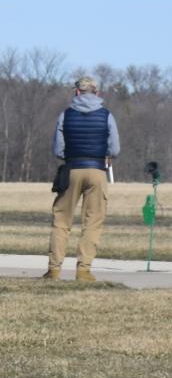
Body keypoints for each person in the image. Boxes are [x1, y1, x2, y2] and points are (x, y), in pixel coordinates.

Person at [45, 75, 119, 283]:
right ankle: (84, 270)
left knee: (61, 221)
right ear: (96, 92)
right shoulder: (106, 115)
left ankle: (54, 270)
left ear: (77, 92)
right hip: (97, 171)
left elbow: (58, 149)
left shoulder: (65, 115)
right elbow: (115, 148)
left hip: (71, 170)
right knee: (92, 222)